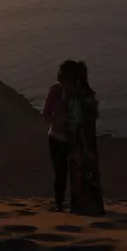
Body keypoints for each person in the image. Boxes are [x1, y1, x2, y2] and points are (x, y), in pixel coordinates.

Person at [65, 60, 105, 216]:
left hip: (79, 143)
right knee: (91, 175)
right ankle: (93, 206)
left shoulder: (76, 98)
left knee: (81, 175)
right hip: (89, 142)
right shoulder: (88, 95)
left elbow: (75, 123)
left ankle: (83, 208)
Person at [42, 60, 75, 211]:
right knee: (61, 173)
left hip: (74, 139)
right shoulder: (56, 91)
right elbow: (46, 113)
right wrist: (58, 120)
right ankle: (59, 204)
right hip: (57, 137)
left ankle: (74, 203)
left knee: (75, 172)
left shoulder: (79, 92)